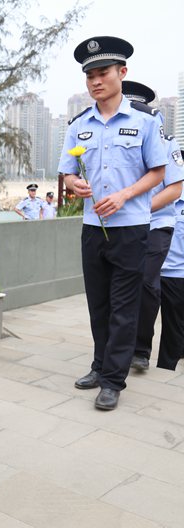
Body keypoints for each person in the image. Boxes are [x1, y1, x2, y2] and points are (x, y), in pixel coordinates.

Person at [58, 36, 167, 411]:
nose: (95, 81)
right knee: (99, 305)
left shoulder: (145, 122)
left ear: (122, 72)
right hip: (93, 229)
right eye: (89, 75)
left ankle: (113, 381)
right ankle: (99, 365)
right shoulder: (79, 125)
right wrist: (76, 185)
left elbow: (157, 172)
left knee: (124, 307)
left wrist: (123, 195)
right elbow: (67, 175)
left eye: (102, 73)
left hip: (131, 228)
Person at [122, 81, 184, 371]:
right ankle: (113, 350)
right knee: (117, 289)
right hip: (122, 226)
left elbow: (173, 190)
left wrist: (138, 207)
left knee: (147, 283)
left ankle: (141, 350)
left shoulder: (165, 141)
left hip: (157, 224)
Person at [159, 191, 184, 370]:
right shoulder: (155, 200)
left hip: (177, 273)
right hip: (152, 271)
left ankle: (167, 367)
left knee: (174, 326)